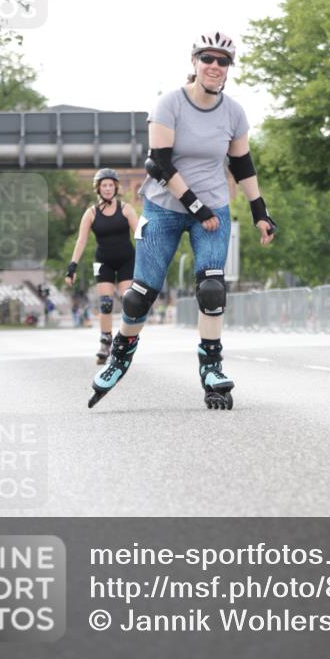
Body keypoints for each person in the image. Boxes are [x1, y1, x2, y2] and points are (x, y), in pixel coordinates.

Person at [89, 30, 276, 411]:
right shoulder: (169, 103)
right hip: (164, 208)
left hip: (215, 208)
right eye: (207, 58)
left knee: (212, 289)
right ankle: (120, 356)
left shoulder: (234, 112)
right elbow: (158, 164)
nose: (214, 66)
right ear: (194, 63)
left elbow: (241, 163)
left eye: (222, 61)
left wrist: (260, 212)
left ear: (228, 69)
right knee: (139, 296)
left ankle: (212, 367)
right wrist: (196, 208)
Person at [65, 169, 138, 362]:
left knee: (128, 302)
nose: (107, 188)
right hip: (103, 261)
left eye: (110, 185)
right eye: (104, 185)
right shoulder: (91, 213)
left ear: (115, 187)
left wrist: (150, 260)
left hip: (126, 261)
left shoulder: (126, 209)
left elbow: (139, 235)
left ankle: (125, 341)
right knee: (105, 303)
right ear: (98, 188)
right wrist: (72, 266)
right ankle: (105, 342)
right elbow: (81, 241)